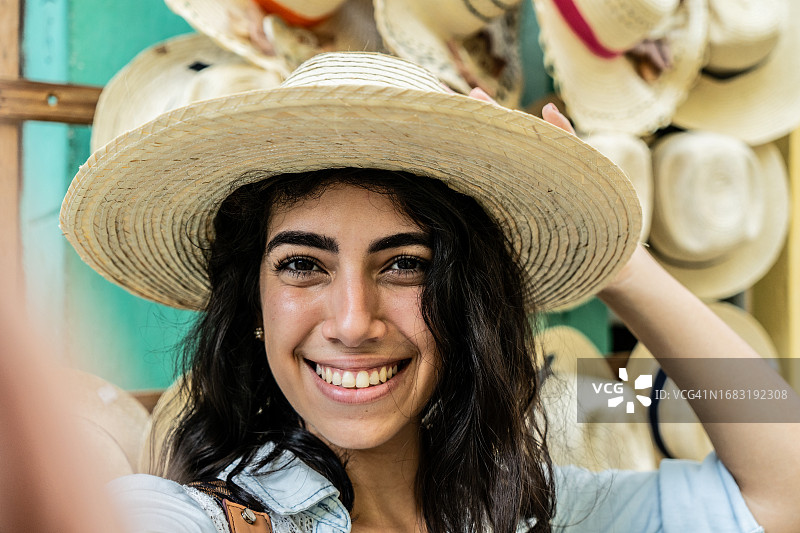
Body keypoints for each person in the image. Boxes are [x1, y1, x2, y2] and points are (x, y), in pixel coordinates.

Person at [60, 52, 800, 533]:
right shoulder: (183, 519)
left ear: (464, 300)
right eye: (302, 265)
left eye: (404, 265)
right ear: (251, 303)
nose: (353, 321)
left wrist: (618, 261)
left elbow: (783, 482)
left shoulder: (532, 512)